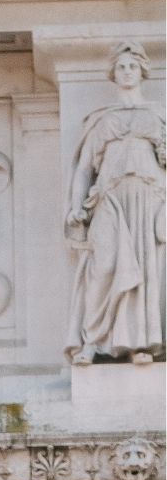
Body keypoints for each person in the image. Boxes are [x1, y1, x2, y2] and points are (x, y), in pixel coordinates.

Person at [66, 41, 164, 364]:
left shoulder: (157, 117)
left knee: (145, 269)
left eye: (132, 66)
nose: (126, 71)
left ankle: (138, 345)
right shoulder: (102, 121)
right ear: (113, 74)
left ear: (142, 72)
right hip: (108, 197)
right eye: (121, 67)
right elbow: (83, 169)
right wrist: (75, 206)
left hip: (148, 197)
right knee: (104, 266)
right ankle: (92, 341)